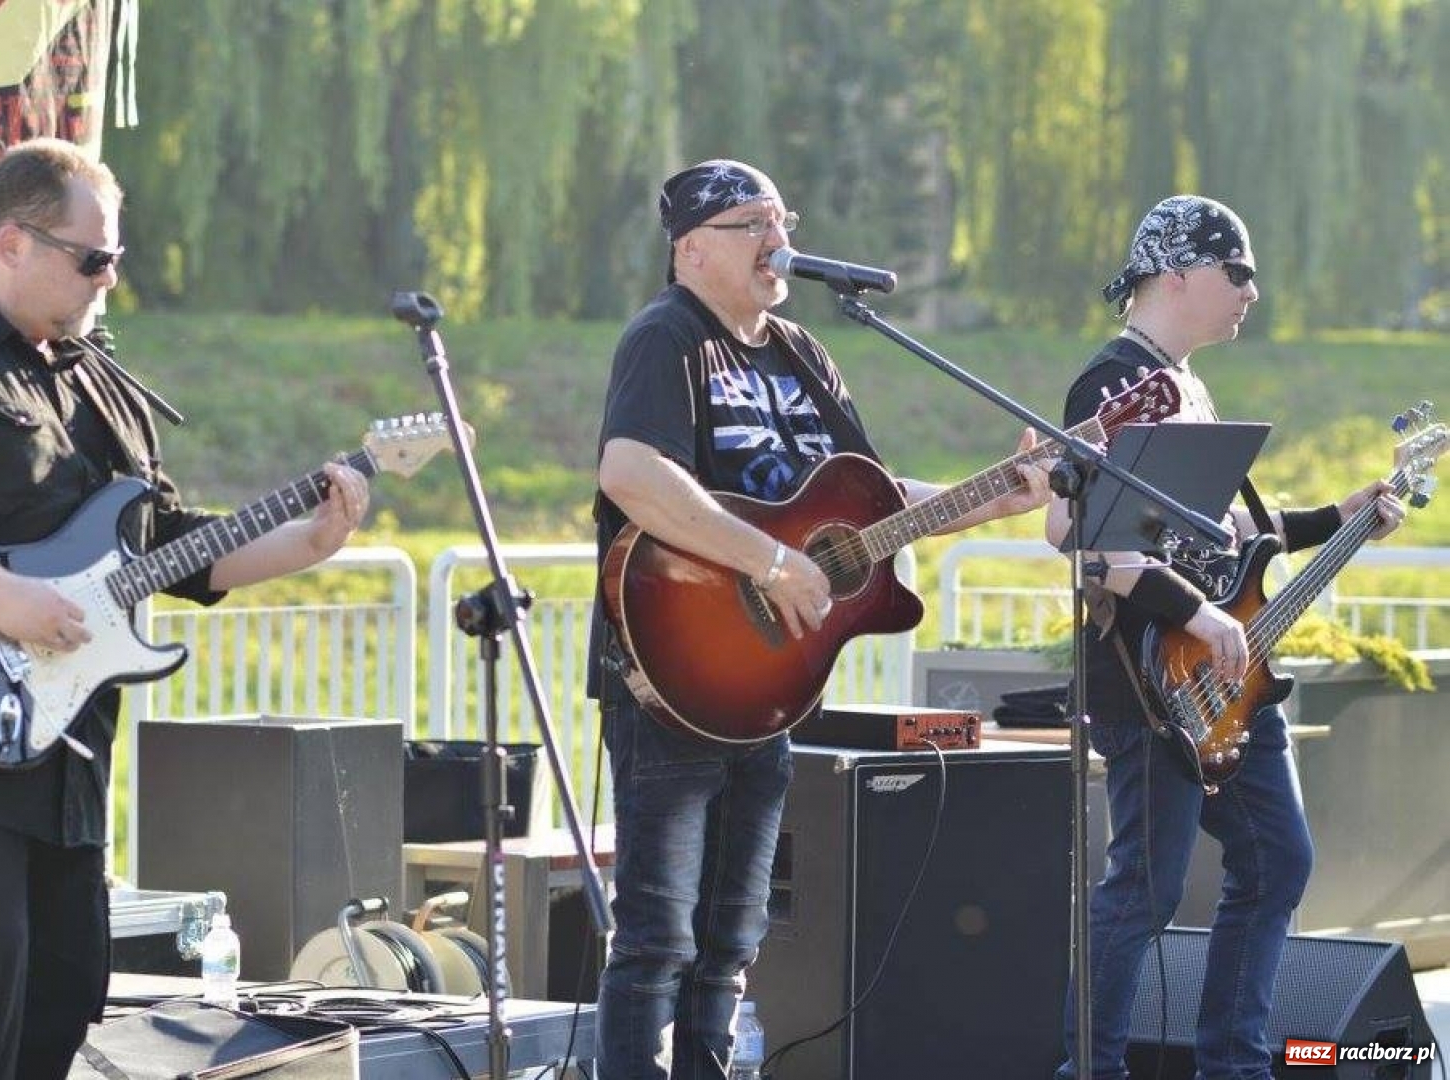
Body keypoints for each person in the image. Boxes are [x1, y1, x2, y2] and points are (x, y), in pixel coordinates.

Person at [0, 138, 370, 1080]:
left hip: (63, 753)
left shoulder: (99, 383)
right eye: (92, 257)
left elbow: (162, 544)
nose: (109, 278)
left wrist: (309, 542)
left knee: (64, 989)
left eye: (114, 256)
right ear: (10, 243)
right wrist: (5, 600)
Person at [589, 158, 1051, 1079]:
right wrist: (767, 559)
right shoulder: (666, 337)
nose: (778, 240)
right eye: (751, 223)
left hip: (770, 686)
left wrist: (994, 499)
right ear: (690, 249)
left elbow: (877, 504)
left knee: (732, 933)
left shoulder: (804, 352)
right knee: (655, 937)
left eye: (782, 218)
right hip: (669, 675)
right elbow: (631, 474)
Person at [1047, 194, 1406, 1080]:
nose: (1253, 291)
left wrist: (1340, 513)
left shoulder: (1187, 384)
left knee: (1276, 861)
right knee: (1144, 889)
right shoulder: (1110, 383)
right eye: (1236, 272)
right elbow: (1085, 537)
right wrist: (1194, 615)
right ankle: (1087, 1069)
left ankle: (1233, 1065)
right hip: (1151, 677)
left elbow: (1221, 538)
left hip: (1227, 677)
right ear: (1176, 274)